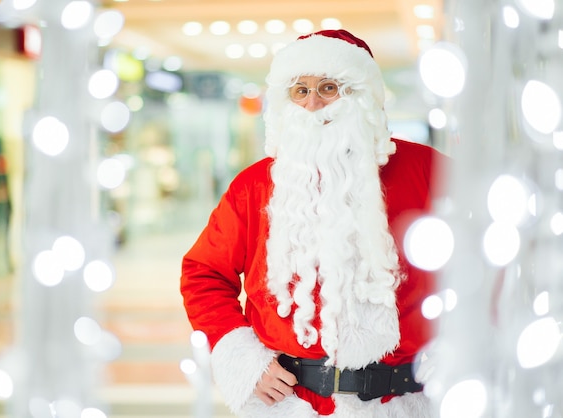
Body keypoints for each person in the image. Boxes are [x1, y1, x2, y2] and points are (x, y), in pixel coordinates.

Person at [180, 29, 449, 417]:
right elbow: (202, 272)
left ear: (361, 95)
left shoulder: (429, 170)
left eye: (328, 87)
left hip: (409, 401)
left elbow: (485, 264)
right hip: (293, 404)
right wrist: (244, 360)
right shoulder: (255, 185)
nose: (312, 104)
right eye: (300, 91)